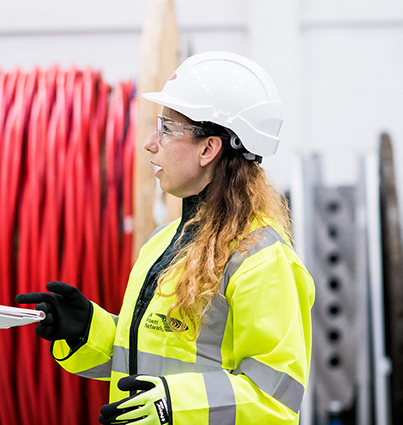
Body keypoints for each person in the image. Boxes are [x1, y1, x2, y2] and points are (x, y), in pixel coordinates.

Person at [17, 51, 314, 424]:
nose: (150, 143)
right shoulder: (163, 242)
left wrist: (173, 406)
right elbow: (148, 358)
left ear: (209, 148)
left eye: (167, 129)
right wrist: (87, 330)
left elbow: (274, 400)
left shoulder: (262, 259)